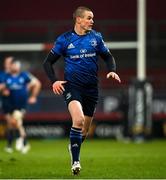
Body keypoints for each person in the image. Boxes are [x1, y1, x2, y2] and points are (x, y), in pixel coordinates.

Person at [43, 6, 121, 175]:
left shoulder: (96, 38)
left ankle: (73, 147)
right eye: (88, 18)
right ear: (78, 19)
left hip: (91, 89)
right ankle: (76, 162)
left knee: (84, 131)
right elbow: (47, 63)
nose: (92, 21)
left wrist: (112, 69)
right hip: (72, 87)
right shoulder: (64, 39)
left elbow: (108, 56)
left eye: (92, 18)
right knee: (77, 121)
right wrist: (54, 81)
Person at [0, 58, 41, 153]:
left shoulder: (24, 75)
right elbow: (3, 86)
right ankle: (21, 143)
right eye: (8, 63)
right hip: (9, 104)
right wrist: (3, 90)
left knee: (15, 121)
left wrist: (33, 96)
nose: (10, 65)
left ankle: (20, 140)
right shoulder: (5, 76)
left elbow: (36, 83)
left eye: (12, 63)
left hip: (21, 104)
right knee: (14, 124)